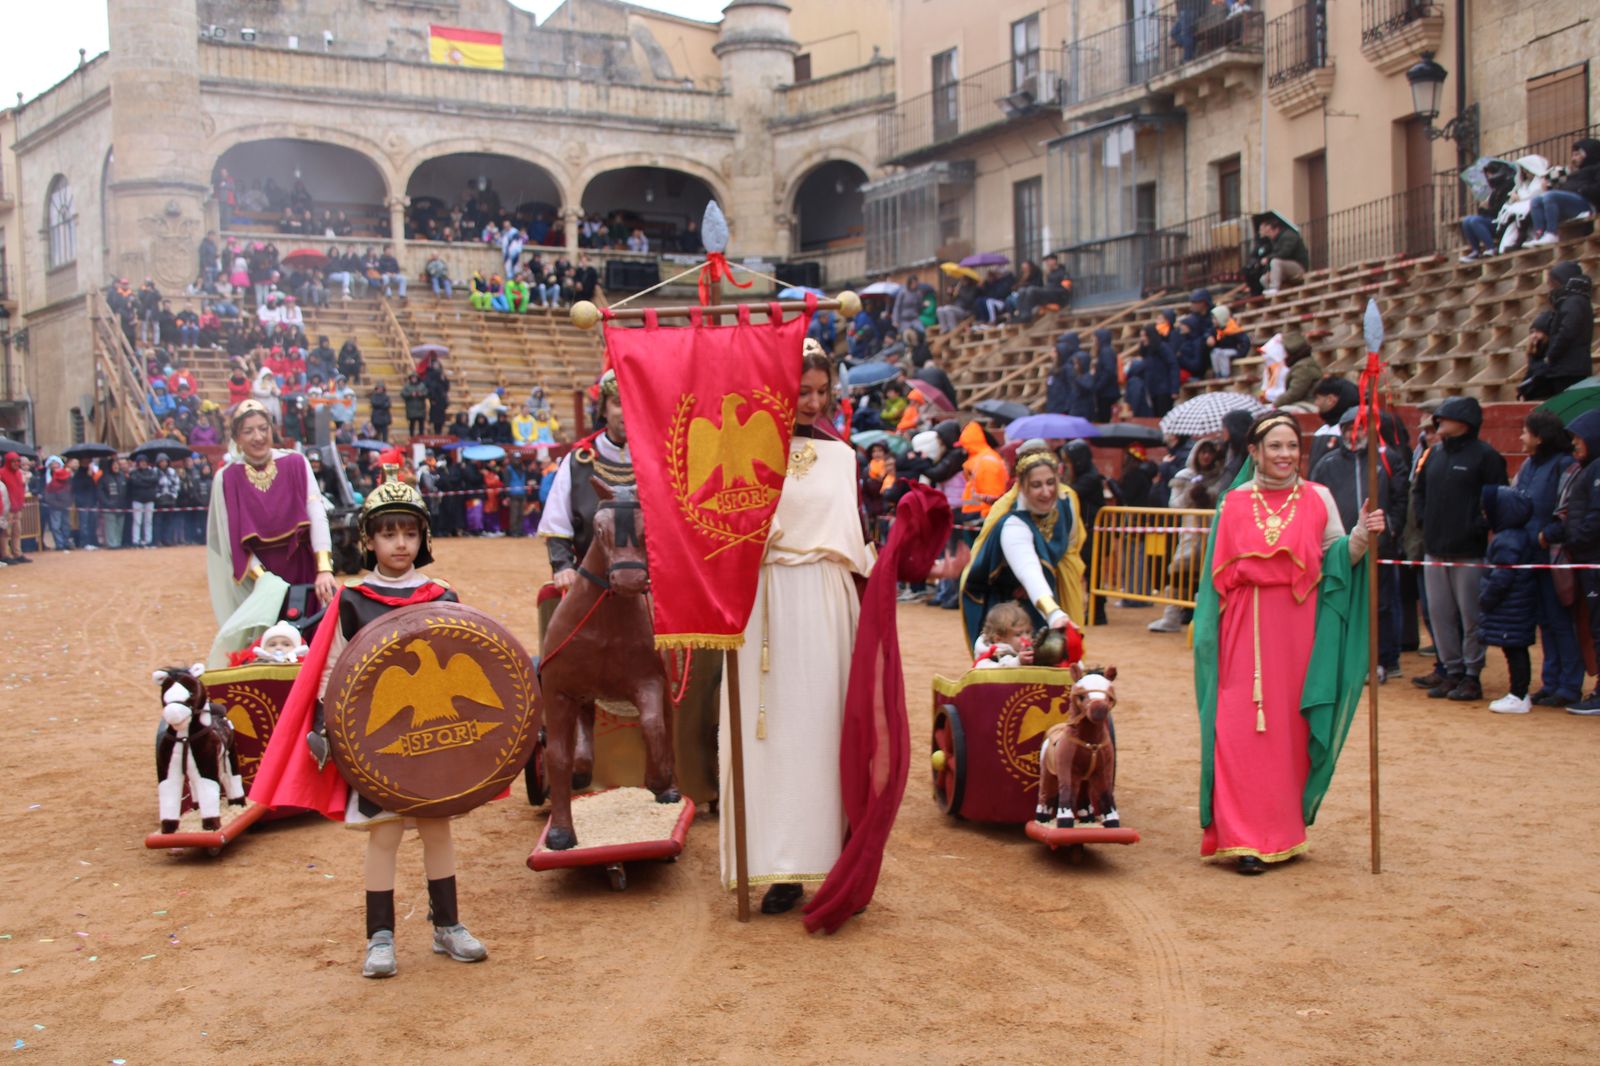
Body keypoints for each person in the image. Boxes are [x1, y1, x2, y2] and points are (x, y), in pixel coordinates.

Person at [249, 470, 487, 978]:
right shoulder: (352, 601)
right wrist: (327, 726)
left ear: (423, 537)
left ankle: (448, 925)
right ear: (368, 539)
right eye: (388, 533)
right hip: (380, 742)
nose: (400, 543)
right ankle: (380, 937)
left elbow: (469, 653)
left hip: (436, 738)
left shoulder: (442, 595)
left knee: (437, 826)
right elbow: (332, 669)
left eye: (409, 532)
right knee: (384, 834)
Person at [1193, 411, 1385, 873]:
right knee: (1237, 727)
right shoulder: (1233, 501)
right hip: (1241, 627)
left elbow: (1338, 558)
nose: (1285, 455)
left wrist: (1363, 533)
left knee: (1287, 731)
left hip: (1300, 631)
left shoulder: (1319, 497)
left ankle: (1280, 834)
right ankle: (1240, 837)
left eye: (1292, 447)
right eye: (1274, 447)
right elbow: (1212, 582)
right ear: (1254, 452)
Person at [719, 348, 874, 917]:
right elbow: (725, 525)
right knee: (770, 734)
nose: (812, 401)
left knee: (824, 729)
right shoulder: (749, 451)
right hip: (765, 603)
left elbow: (853, 542)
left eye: (820, 390)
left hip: (827, 604)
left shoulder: (843, 457)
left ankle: (833, 861)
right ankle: (777, 867)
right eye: (801, 390)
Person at [205, 400, 336, 665]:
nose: (258, 437)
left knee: (310, 641)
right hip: (260, 579)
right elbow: (232, 540)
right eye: (249, 431)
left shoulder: (296, 463)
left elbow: (316, 513)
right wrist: (265, 583)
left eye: (263, 428)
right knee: (266, 648)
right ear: (238, 439)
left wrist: (324, 568)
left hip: (302, 568)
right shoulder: (227, 477)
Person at [1410, 397, 1507, 702]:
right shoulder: (1433, 454)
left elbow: (1496, 499)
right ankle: (1452, 670)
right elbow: (1420, 492)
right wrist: (1427, 524)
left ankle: (1471, 674)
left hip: (1469, 551)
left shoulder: (1486, 456)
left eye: (1445, 417)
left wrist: (1477, 527)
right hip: (1435, 548)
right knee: (1439, 614)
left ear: (1464, 423)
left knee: (1470, 616)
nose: (1438, 422)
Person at [1309, 407, 1410, 683]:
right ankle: (1348, 658)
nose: (1353, 434)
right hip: (1340, 548)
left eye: (1359, 428)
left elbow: (1402, 498)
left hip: (1380, 546)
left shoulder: (1387, 459)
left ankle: (1384, 660)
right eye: (1346, 429)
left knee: (1380, 605)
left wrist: (1391, 527)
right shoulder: (1326, 464)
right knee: (1342, 602)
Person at [961, 439, 1088, 652]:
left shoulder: (1068, 501)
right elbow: (1028, 569)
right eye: (1036, 485)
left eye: (1050, 482)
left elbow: (1071, 546)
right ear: (1022, 486)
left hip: (1053, 591)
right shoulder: (1012, 519)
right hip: (1009, 602)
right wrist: (1053, 612)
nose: (1046, 492)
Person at [1513, 411, 1583, 706]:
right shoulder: (1529, 465)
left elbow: (1569, 511)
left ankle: (1569, 685)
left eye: (1526, 432)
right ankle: (1551, 681)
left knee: (1560, 621)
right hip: (1531, 554)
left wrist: (1547, 535)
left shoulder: (1565, 466)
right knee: (1545, 621)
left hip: (1553, 555)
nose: (1521, 437)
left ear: (1540, 437)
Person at [1478, 487, 1539, 714]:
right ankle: (1518, 693)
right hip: (1512, 607)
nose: (1485, 514)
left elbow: (1502, 577)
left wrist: (1487, 598)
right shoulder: (1511, 536)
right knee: (1513, 649)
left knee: (1515, 650)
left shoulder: (1508, 539)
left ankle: (1519, 694)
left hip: (1511, 607)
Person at [1519, 262, 1593, 401]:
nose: (1551, 287)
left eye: (1553, 282)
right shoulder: (1576, 301)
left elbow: (1566, 332)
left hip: (1568, 369)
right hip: (1568, 367)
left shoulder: (1574, 302)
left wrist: (1550, 356)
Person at [1526, 138, 1600, 246]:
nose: (1573, 159)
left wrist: (1581, 190)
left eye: (1577, 155)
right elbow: (1563, 192)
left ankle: (1552, 233)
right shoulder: (1575, 173)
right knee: (1536, 201)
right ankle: (1540, 235)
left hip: (1587, 204)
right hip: (1573, 202)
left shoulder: (1597, 168)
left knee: (1550, 196)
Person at [1257, 217, 1310, 296]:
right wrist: (1268, 270)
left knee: (1275, 262)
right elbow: (1276, 255)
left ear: (1276, 229)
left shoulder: (1289, 236)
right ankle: (1273, 297)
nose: (1267, 234)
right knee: (1263, 279)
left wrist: (1268, 258)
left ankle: (1274, 288)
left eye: (1269, 231)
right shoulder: (1275, 240)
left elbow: (1284, 253)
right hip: (1285, 267)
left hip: (1299, 267)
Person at [973, 602, 1035, 668]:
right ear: (998, 639)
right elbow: (1000, 670)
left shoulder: (1017, 648)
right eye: (1018, 635)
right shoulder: (990, 657)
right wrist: (1018, 661)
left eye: (1028, 632)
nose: (1026, 638)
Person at [401, 373, 429, 439]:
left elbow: (427, 393)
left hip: (420, 408)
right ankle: (412, 437)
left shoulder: (422, 386)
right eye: (412, 378)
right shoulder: (407, 386)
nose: (414, 379)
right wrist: (410, 394)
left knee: (421, 424)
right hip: (411, 408)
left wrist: (421, 394)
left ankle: (421, 436)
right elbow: (403, 394)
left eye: (415, 378)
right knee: (412, 424)